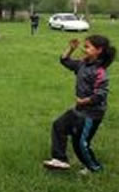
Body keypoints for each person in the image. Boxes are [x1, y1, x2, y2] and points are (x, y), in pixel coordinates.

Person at [43, 35, 116, 173]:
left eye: (88, 47)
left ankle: (95, 168)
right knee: (59, 125)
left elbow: (101, 94)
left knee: (80, 144)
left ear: (98, 50)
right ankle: (60, 159)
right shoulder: (82, 64)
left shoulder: (100, 72)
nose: (84, 49)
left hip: (92, 114)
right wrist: (70, 49)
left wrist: (85, 101)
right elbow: (64, 60)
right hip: (79, 109)